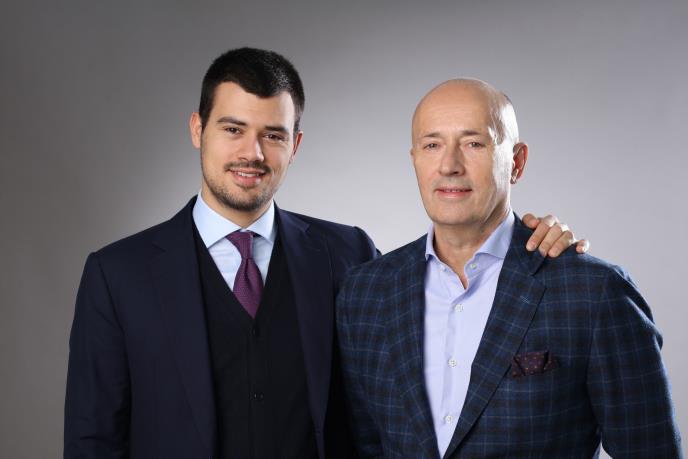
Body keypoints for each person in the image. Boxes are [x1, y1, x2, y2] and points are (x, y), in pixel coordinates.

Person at [64, 48, 586, 459]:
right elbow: (93, 442)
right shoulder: (118, 275)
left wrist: (533, 241)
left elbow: (450, 287)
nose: (252, 153)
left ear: (295, 144)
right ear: (198, 130)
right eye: (233, 129)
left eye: (273, 134)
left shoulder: (347, 253)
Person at [336, 79, 682, 458]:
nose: (449, 165)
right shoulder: (365, 292)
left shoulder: (593, 292)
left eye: (474, 144)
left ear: (516, 162)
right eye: (432, 145)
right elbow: (365, 447)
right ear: (415, 158)